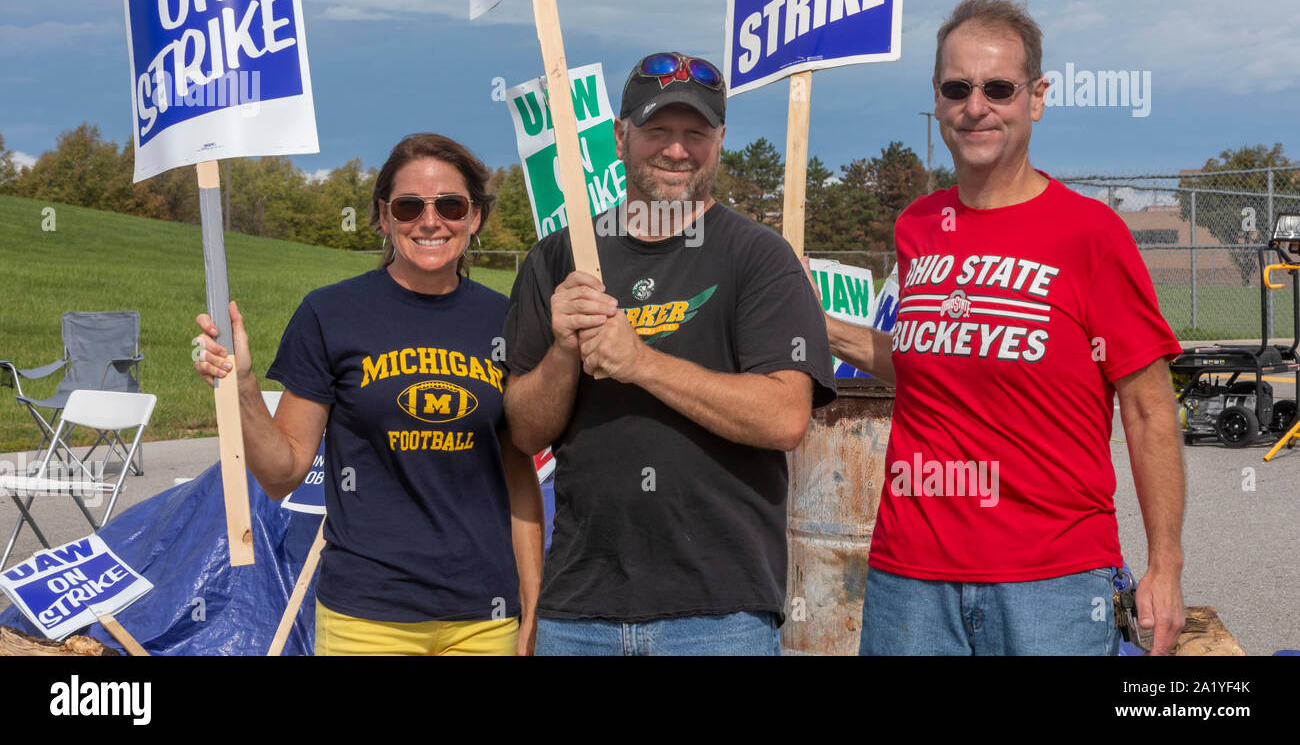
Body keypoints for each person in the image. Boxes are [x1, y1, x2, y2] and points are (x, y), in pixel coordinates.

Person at [820, 0, 1186, 655]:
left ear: (1037, 97)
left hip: (1052, 581)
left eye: (998, 88)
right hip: (912, 576)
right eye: (958, 88)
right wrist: (824, 329)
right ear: (936, 98)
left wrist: (1165, 566)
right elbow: (927, 360)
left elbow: (1148, 407)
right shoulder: (919, 228)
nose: (976, 106)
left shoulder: (1090, 234)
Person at [500, 52, 836, 656]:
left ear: (721, 140)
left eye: (696, 133)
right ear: (620, 135)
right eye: (658, 130)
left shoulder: (758, 257)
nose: (676, 150)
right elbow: (525, 433)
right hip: (579, 612)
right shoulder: (559, 257)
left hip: (719, 615)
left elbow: (785, 417)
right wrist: (563, 351)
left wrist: (641, 363)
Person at [193, 133, 543, 655]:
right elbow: (282, 472)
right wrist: (242, 387)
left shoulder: (506, 321)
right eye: (408, 206)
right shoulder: (330, 314)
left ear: (475, 218)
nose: (430, 221)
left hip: (484, 616)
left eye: (451, 205)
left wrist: (533, 607)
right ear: (383, 217)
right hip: (367, 616)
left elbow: (518, 474)